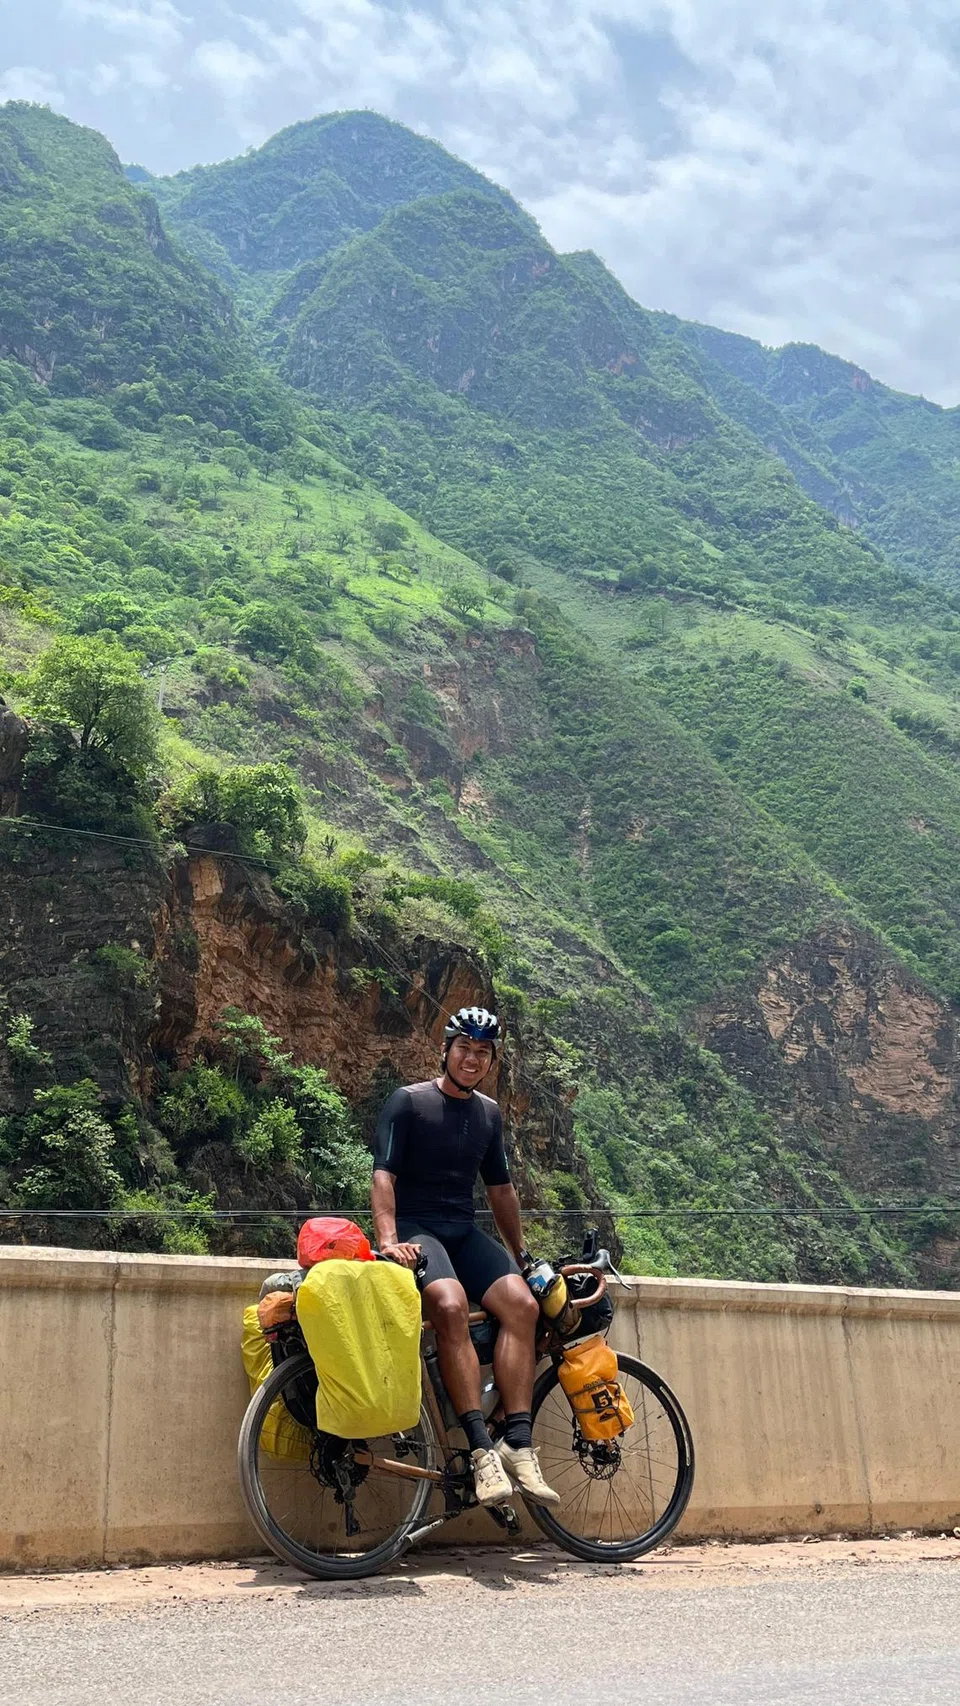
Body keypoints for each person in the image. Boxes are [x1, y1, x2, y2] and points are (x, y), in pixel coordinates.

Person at [371, 1005, 559, 1509]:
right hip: (417, 1230)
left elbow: (500, 1190)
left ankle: (517, 1443)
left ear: (491, 1060)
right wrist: (389, 1240)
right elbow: (383, 1175)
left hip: (463, 1231)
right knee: (450, 1305)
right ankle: (480, 1451)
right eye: (464, 1048)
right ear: (446, 1050)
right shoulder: (408, 1102)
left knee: (523, 1305)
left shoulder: (489, 1114)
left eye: (482, 1052)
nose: (472, 1059)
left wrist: (523, 1256)